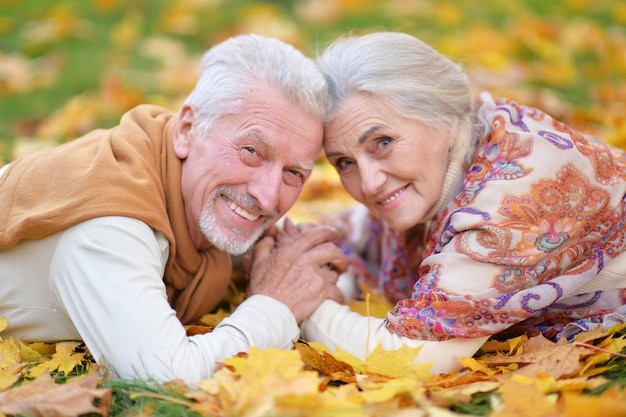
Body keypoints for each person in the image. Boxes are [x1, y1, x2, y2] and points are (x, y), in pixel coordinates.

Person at [0, 34, 347, 384]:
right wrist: (277, 305)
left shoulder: (178, 174)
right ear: (186, 130)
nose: (268, 198)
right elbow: (166, 376)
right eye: (251, 152)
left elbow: (289, 264)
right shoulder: (110, 227)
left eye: (293, 173)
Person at [292, 31, 626, 375]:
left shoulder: (513, 197)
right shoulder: (459, 149)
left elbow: (412, 357)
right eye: (344, 162)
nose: (368, 182)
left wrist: (300, 302)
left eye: (383, 142)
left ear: (444, 113)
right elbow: (351, 232)